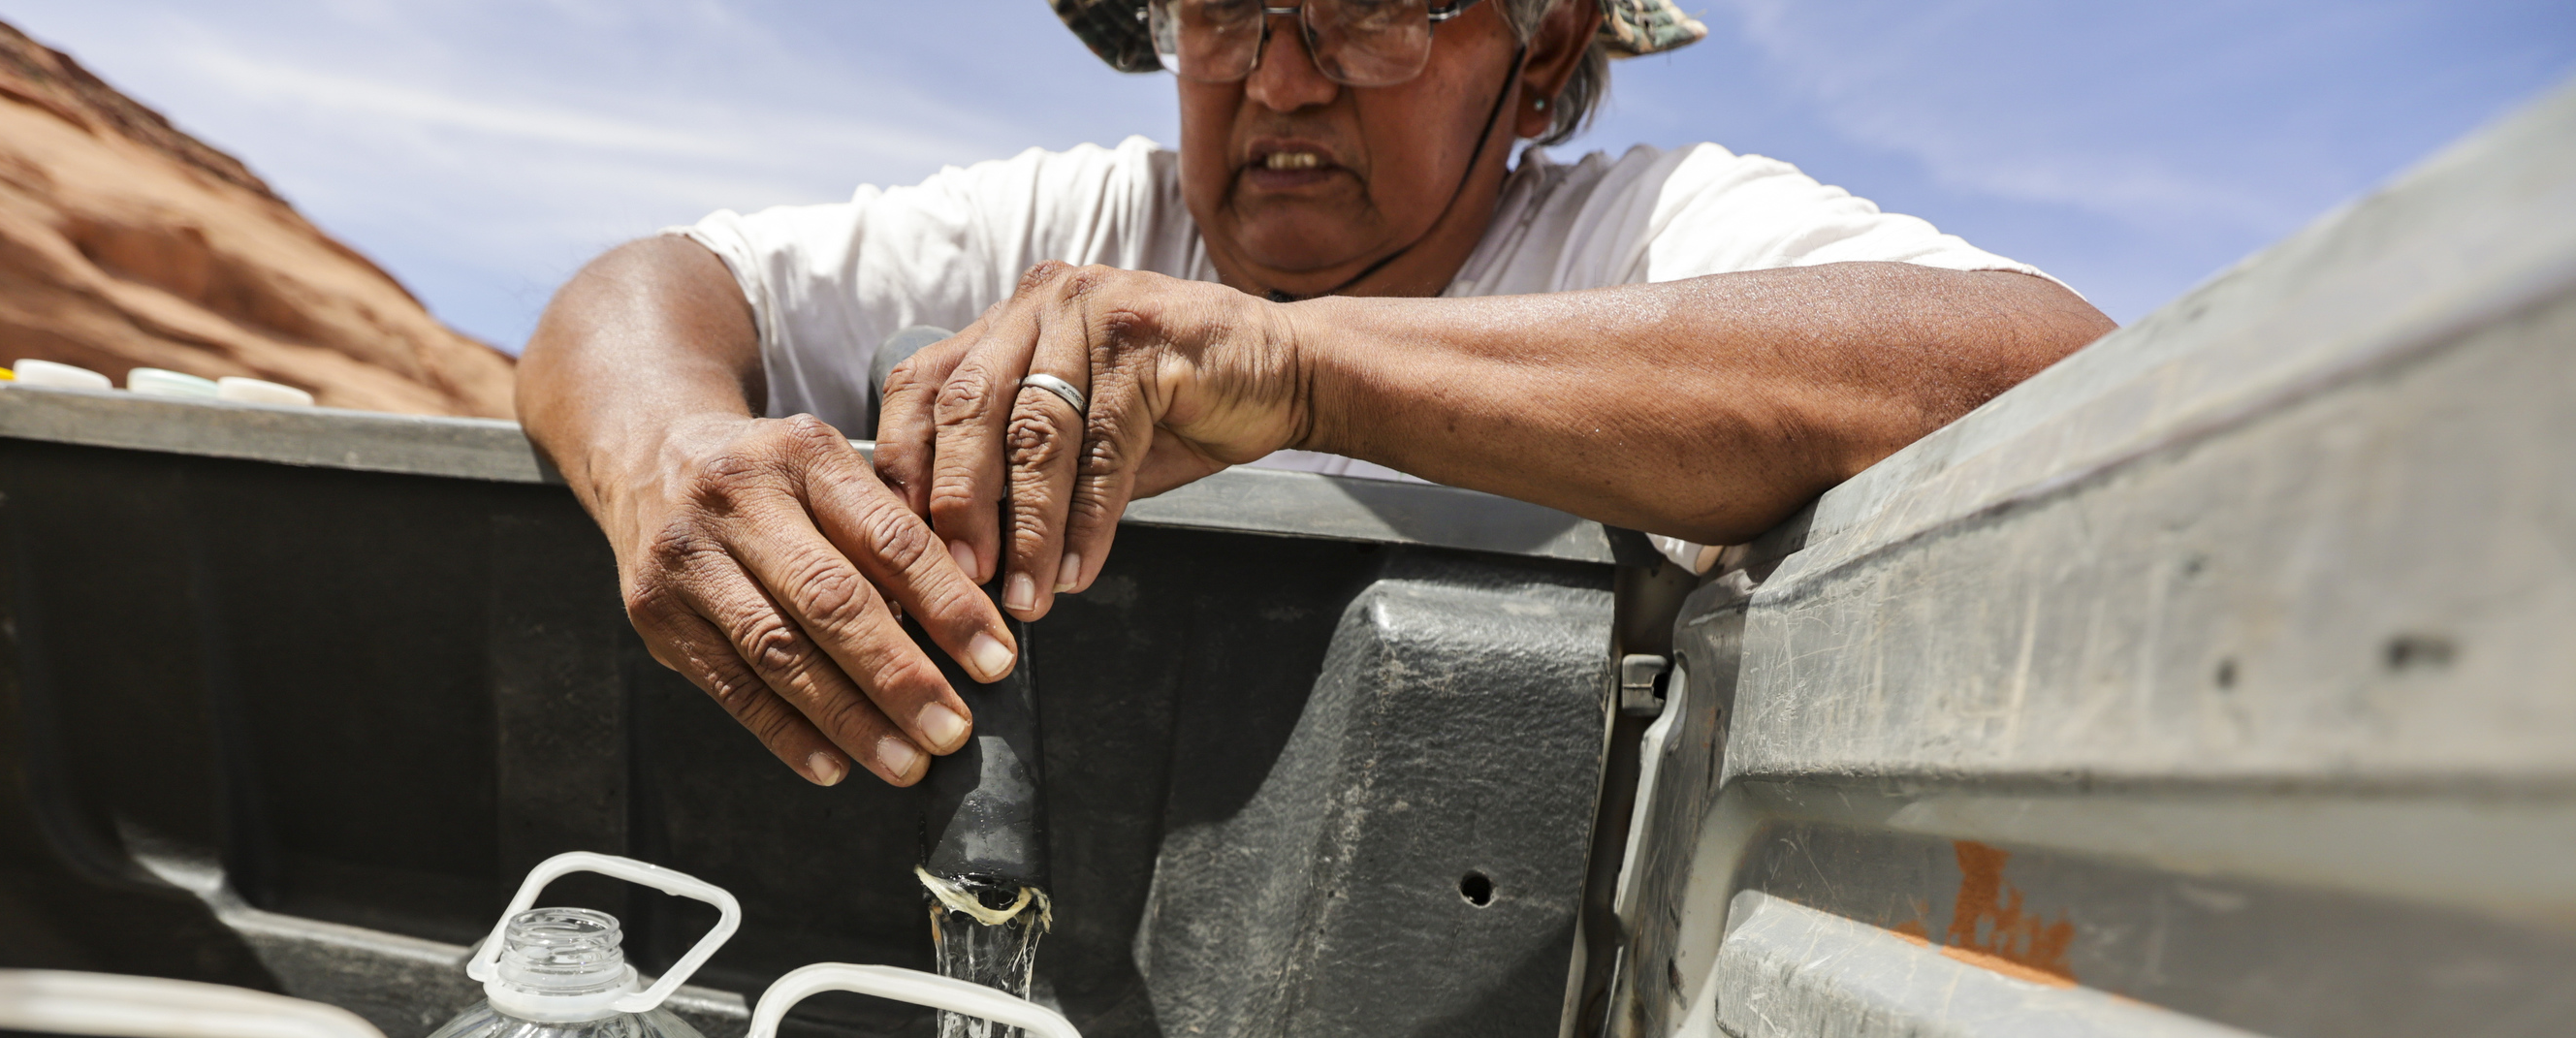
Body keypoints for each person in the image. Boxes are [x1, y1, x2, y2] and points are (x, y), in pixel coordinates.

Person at [522, 0, 2113, 789]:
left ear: (1544, 53)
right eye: (1220, 10)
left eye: (1364, 8)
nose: (1280, 79)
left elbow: (2031, 365)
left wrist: (1299, 370)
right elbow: (642, 291)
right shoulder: (1075, 219)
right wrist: (663, 445)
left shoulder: (1639, 233)